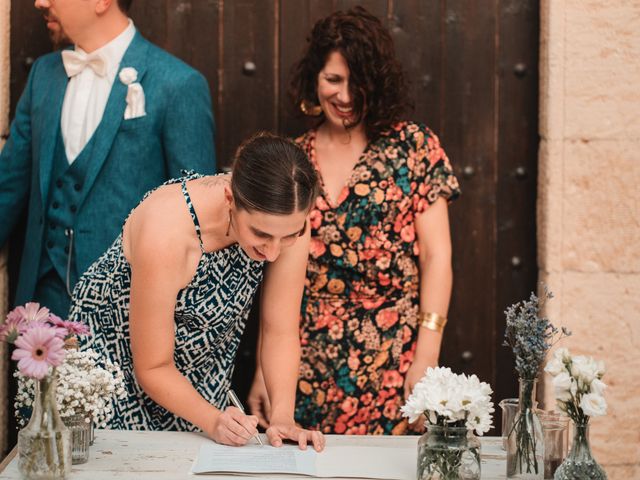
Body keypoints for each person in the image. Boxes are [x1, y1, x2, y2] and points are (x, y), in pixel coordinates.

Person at [248, 7, 461, 435]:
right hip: (305, 365)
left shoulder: (414, 146)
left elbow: (437, 257)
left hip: (392, 358)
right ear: (315, 77)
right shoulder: (294, 158)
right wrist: (263, 370)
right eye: (333, 79)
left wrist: (427, 356)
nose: (344, 95)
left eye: (356, 81)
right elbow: (276, 269)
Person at [69, 133, 324, 450]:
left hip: (195, 374)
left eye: (288, 237)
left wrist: (283, 416)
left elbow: (280, 331)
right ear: (231, 198)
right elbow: (152, 367)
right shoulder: (167, 233)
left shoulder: (288, 221)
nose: (273, 252)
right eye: (261, 234)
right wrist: (213, 420)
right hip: (113, 373)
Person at [0, 0, 216, 318]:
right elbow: (8, 187)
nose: (40, 2)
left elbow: (198, 220)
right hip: (41, 316)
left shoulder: (177, 84)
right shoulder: (43, 75)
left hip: (129, 318)